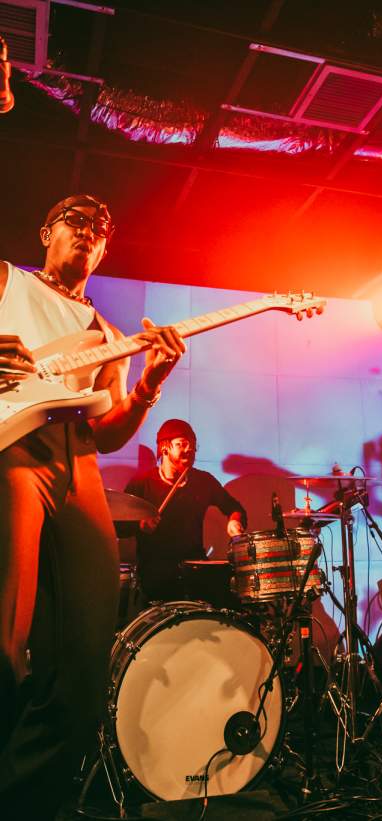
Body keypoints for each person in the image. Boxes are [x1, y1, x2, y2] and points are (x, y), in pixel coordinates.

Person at [0, 194, 186, 819]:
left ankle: (26, 802)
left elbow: (107, 432)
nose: (89, 233)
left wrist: (148, 387)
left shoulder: (108, 336)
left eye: (101, 229)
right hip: (12, 450)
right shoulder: (8, 280)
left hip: (77, 461)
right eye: (76, 221)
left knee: (84, 659)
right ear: (46, 231)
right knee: (4, 642)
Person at [125, 418, 247, 602]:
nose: (189, 449)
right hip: (156, 576)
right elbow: (118, 525)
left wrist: (234, 521)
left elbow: (234, 507)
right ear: (164, 448)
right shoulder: (141, 484)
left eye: (193, 445)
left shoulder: (203, 481)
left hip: (195, 570)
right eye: (182, 444)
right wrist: (139, 525)